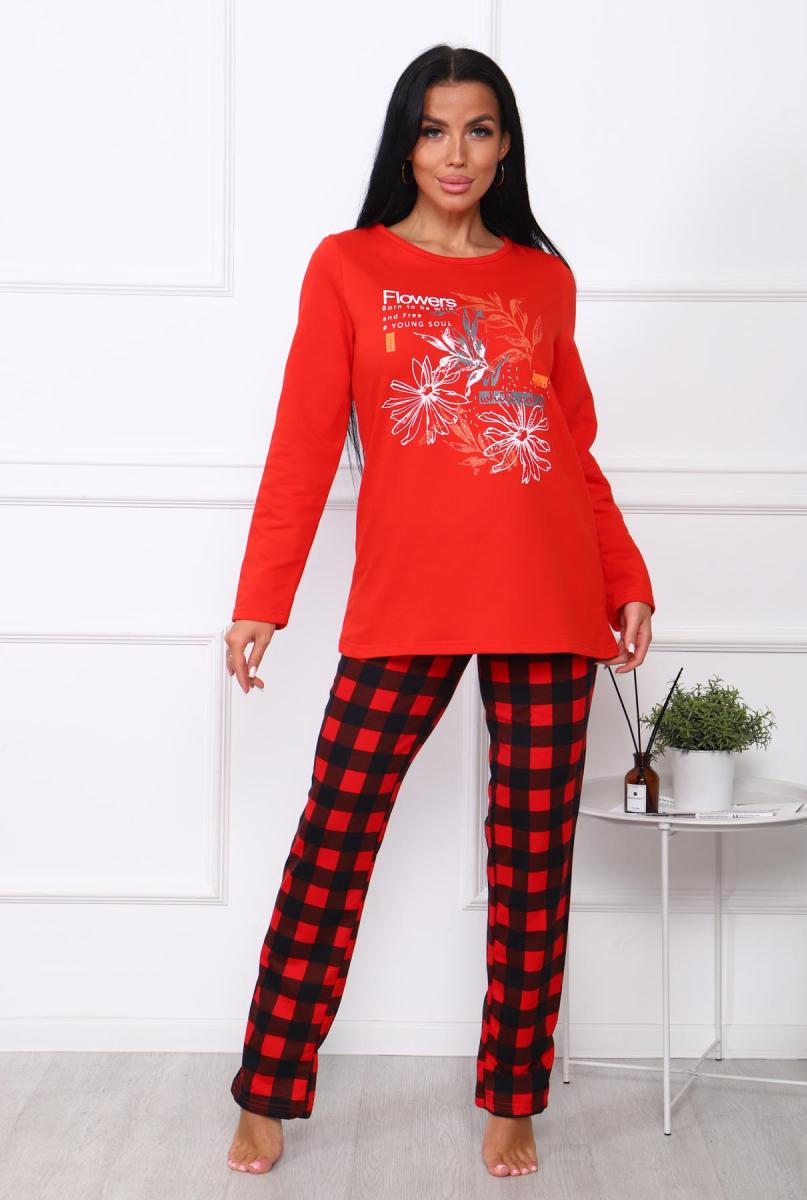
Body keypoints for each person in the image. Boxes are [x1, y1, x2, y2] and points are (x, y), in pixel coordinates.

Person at [224, 43, 655, 1179]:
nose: (454, 152)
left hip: (548, 595)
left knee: (531, 860)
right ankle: (269, 1081)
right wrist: (261, 599)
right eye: (431, 129)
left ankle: (513, 1095)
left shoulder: (541, 280)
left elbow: (571, 452)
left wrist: (624, 576)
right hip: (407, 602)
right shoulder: (347, 267)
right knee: (334, 838)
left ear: (505, 145)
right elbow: (302, 444)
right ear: (403, 144)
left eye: (476, 129)